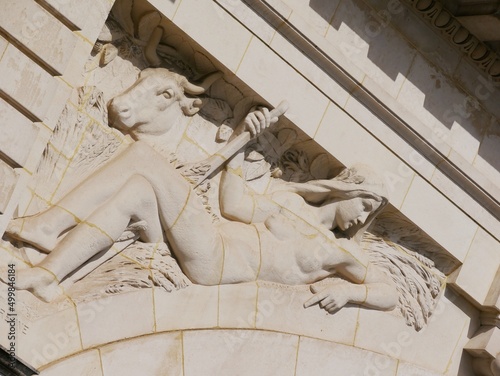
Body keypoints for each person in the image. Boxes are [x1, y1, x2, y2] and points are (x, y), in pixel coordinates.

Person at [2, 107, 398, 314]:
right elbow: (235, 205)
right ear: (345, 187)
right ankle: (46, 276)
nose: (363, 219)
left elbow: (388, 293)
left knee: (142, 156)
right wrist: (244, 142)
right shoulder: (290, 204)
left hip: (218, 261)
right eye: (365, 204)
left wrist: (348, 294)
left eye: (370, 213)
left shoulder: (337, 252)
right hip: (209, 238)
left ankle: (47, 226)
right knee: (138, 190)